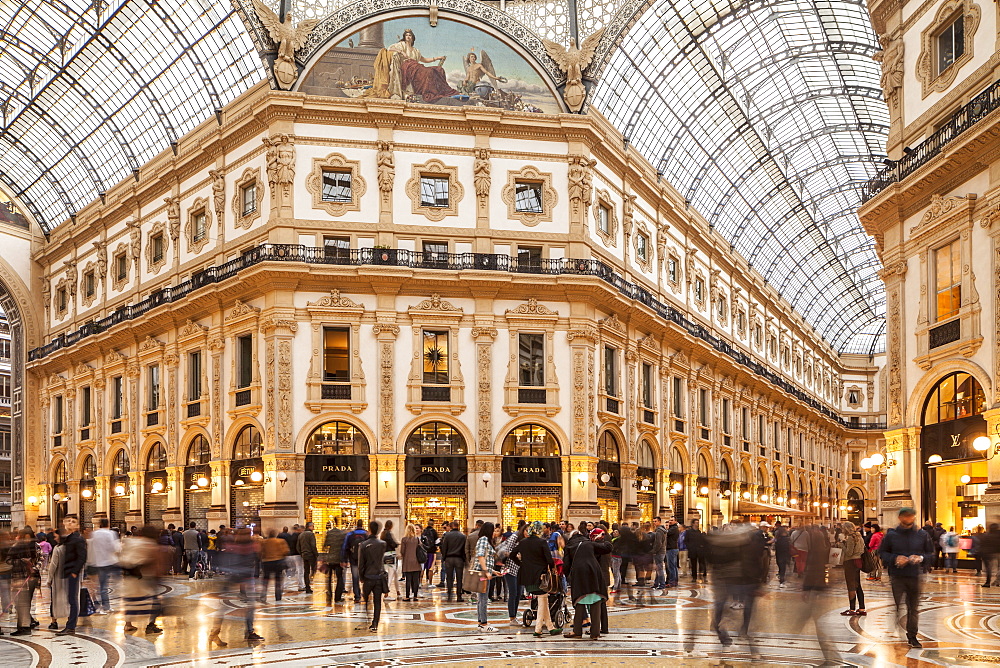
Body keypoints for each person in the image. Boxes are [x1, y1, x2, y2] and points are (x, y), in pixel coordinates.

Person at [879, 508, 935, 648]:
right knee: (898, 605)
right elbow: (882, 552)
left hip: (914, 576)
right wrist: (895, 558)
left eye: (911, 516)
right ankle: (897, 624)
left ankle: (912, 635)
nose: (909, 518)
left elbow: (931, 553)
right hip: (897, 576)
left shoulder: (922, 535)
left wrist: (920, 558)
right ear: (900, 518)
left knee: (913, 608)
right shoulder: (891, 535)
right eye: (906, 516)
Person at [209, 527, 263, 644]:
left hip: (244, 577)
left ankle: (249, 632)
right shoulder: (238, 546)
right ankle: (215, 633)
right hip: (239, 577)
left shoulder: (243, 545)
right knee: (230, 607)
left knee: (249, 606)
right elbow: (227, 562)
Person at [512, 521, 559, 637]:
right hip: (541, 576)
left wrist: (522, 564)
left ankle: (551, 627)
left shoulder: (522, 542)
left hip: (527, 576)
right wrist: (553, 569)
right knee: (542, 599)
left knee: (543, 600)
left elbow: (512, 554)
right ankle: (538, 629)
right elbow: (549, 559)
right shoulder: (542, 542)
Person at [564, 527, 612, 640]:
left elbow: (566, 565)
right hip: (594, 571)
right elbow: (608, 548)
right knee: (595, 601)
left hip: (579, 574)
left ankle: (577, 631)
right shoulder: (589, 543)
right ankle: (595, 633)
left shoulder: (569, 546)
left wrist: (567, 577)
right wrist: (601, 538)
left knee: (580, 601)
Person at [120, 525, 167, 634]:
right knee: (154, 603)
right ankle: (151, 625)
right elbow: (155, 562)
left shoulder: (132, 541)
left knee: (130, 601)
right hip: (145, 577)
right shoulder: (150, 544)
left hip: (129, 576)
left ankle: (128, 624)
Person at [55, 515, 86, 635]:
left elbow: (82, 557)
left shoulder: (78, 538)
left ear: (77, 525)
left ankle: (71, 626)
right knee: (70, 599)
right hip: (68, 571)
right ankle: (70, 625)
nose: (70, 523)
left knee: (73, 599)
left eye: (73, 522)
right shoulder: (69, 538)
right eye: (68, 521)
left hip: (72, 572)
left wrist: (75, 572)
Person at [7, 529, 40, 636]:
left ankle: (25, 626)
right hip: (19, 578)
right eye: (25, 537)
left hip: (31, 578)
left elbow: (40, 559)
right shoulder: (16, 547)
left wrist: (34, 567)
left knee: (25, 603)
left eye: (28, 537)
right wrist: (21, 561)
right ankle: (23, 626)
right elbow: (9, 560)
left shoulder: (34, 547)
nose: (27, 540)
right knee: (20, 604)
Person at [357, 521, 387, 633]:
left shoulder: (363, 545)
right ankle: (375, 623)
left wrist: (361, 577)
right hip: (379, 576)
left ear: (369, 529)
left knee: (365, 599)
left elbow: (361, 564)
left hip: (368, 576)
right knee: (377, 601)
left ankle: (367, 619)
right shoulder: (382, 544)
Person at [473, 522, 501, 633]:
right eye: (493, 530)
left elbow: (486, 558)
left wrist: (493, 571)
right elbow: (480, 556)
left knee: (481, 598)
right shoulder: (484, 539)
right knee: (483, 599)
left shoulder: (484, 540)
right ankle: (484, 624)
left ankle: (481, 623)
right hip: (482, 573)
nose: (494, 533)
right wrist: (486, 572)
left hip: (485, 572)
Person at [89, 518, 120, 614]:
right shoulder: (110, 533)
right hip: (110, 561)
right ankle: (106, 606)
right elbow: (113, 547)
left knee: (102, 586)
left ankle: (101, 605)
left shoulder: (94, 533)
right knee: (116, 583)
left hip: (99, 562)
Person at [496, 523, 525, 624]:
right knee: (513, 592)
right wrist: (517, 555)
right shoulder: (515, 537)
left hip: (519, 568)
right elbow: (507, 551)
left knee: (518, 593)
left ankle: (514, 616)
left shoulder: (524, 540)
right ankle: (512, 617)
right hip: (510, 567)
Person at [840, 522, 866, 616]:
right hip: (858, 561)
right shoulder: (860, 536)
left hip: (850, 562)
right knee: (857, 585)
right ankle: (862, 608)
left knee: (851, 585)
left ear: (846, 528)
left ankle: (852, 609)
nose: (842, 529)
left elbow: (849, 552)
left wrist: (842, 545)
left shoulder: (851, 538)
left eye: (843, 528)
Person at [439, 521, 466, 602]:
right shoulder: (463, 536)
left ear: (450, 527)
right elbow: (464, 549)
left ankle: (449, 595)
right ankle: (459, 596)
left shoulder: (447, 536)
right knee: (459, 578)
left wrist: (443, 557)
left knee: (449, 578)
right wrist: (464, 559)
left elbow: (444, 547)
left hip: (449, 559)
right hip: (459, 559)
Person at [342, 520, 368, 601]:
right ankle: (366, 593)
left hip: (353, 559)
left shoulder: (350, 534)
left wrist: (344, 559)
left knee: (355, 577)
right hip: (365, 560)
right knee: (366, 576)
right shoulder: (366, 534)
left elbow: (345, 547)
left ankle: (357, 595)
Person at [260, 529, 289, 603]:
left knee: (265, 580)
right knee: (278, 580)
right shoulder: (281, 541)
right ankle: (278, 596)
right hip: (278, 562)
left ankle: (263, 596)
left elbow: (260, 552)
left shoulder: (264, 542)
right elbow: (286, 551)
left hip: (267, 563)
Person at [324, 521, 347, 602]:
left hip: (330, 558)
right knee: (339, 578)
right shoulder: (342, 534)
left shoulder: (329, 533)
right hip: (338, 558)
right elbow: (344, 547)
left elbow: (325, 546)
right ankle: (338, 597)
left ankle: (329, 594)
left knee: (329, 578)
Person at [400, 523, 422, 601]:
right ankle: (415, 595)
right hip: (416, 561)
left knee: (408, 580)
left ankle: (407, 596)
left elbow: (402, 551)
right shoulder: (417, 539)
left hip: (407, 561)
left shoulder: (404, 539)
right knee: (416, 579)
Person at [380, 521, 401, 601]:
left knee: (395, 574)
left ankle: (398, 592)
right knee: (391, 575)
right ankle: (386, 594)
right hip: (391, 555)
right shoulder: (388, 534)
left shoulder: (383, 534)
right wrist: (397, 544)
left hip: (385, 555)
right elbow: (393, 544)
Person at [298, 522, 318, 594]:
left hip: (304, 555)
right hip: (311, 555)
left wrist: (301, 553)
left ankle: (307, 587)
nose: (313, 528)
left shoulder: (301, 534)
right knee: (313, 569)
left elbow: (298, 546)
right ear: (310, 526)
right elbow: (313, 545)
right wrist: (316, 554)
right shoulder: (311, 534)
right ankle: (311, 581)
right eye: (313, 526)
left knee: (306, 571)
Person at [979, 523, 1000, 587]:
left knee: (988, 569)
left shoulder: (986, 535)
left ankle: (988, 582)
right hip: (997, 553)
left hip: (988, 554)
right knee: (998, 567)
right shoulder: (998, 535)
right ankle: (997, 581)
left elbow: (982, 544)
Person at [773, 521, 791, 588]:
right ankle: (782, 578)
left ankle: (781, 576)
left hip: (779, 554)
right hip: (785, 555)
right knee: (783, 566)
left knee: (780, 565)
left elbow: (775, 547)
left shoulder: (778, 539)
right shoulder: (787, 539)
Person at [421, 522, 439, 586]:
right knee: (430, 568)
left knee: (422, 568)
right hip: (432, 551)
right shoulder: (434, 532)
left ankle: (420, 582)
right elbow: (437, 541)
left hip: (424, 552)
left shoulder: (424, 531)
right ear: (433, 525)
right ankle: (430, 583)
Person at [665, 517, 680, 588]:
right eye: (669, 520)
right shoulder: (673, 528)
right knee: (674, 566)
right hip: (673, 548)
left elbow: (666, 533)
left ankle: (672, 582)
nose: (670, 521)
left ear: (675, 521)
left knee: (671, 567)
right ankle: (675, 581)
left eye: (672, 520)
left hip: (671, 549)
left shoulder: (673, 529)